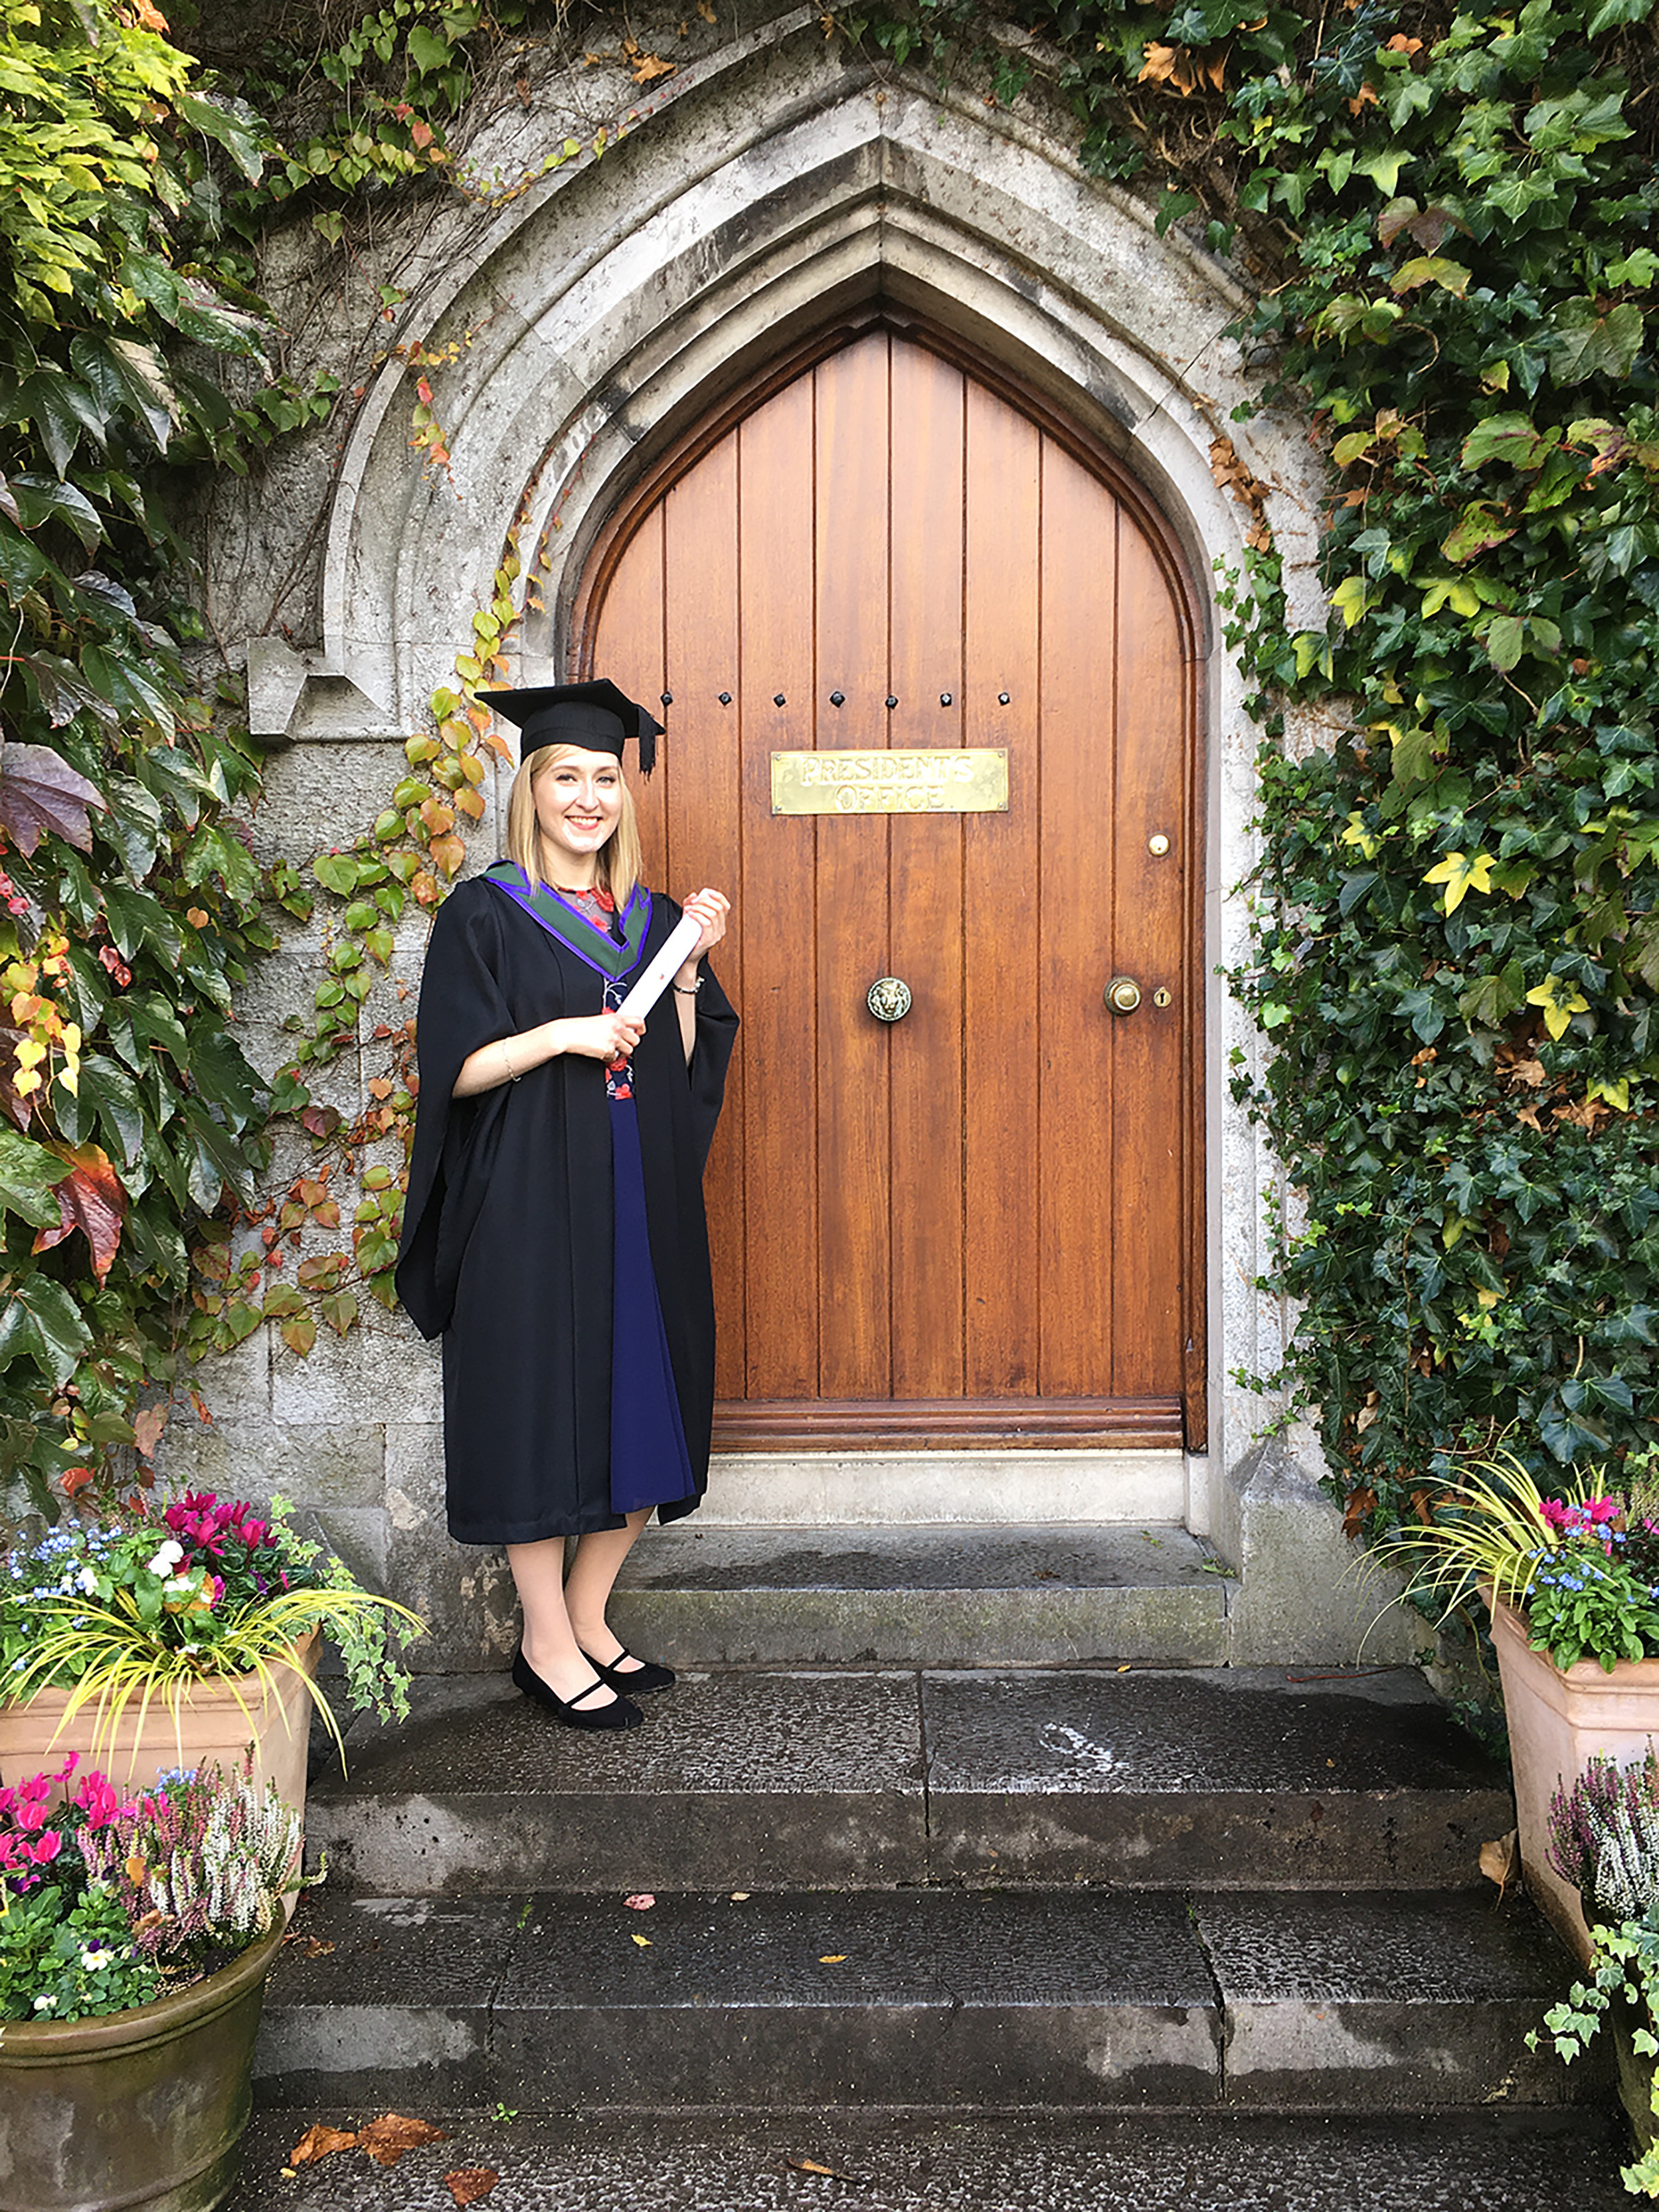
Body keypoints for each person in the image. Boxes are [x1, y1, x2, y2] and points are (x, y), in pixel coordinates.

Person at [394, 679, 737, 1731]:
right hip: (529, 1203)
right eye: (565, 778)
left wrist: (684, 981)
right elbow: (450, 1071)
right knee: (538, 1410)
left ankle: (589, 1614)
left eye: (602, 778)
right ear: (531, 788)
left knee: (652, 1395)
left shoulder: (657, 919)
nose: (587, 797)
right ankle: (543, 1638)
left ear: (621, 794)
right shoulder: (486, 913)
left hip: (640, 1201)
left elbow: (679, 1078)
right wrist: (558, 1037)